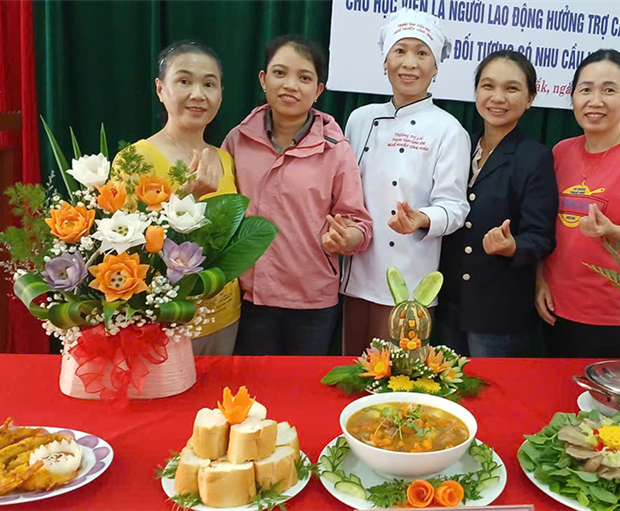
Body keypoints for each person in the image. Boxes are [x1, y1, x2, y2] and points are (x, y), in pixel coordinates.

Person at [223, 36, 372, 356]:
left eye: (304, 78)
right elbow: (221, 214)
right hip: (249, 296)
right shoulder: (237, 140)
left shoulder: (336, 149)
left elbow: (359, 224)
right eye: (280, 73)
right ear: (263, 79)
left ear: (318, 90)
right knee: (252, 384)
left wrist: (347, 238)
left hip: (312, 301)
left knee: (302, 385)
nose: (290, 85)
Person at [341, 8, 470, 355]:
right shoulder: (359, 119)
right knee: (352, 368)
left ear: (436, 67)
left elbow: (455, 207)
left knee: (396, 376)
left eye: (422, 53)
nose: (409, 63)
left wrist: (422, 218)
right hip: (356, 275)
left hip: (410, 285)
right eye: (400, 51)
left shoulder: (448, 130)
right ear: (385, 61)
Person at [536, 49, 620, 358]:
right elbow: (544, 226)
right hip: (555, 308)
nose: (595, 101)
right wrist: (539, 280)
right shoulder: (560, 152)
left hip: (612, 318)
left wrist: (611, 230)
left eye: (609, 90)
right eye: (586, 90)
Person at [110, 40, 240, 356]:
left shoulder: (224, 158)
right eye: (184, 81)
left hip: (225, 316)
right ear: (160, 89)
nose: (198, 94)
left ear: (221, 94)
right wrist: (186, 197)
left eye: (209, 84)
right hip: (165, 319)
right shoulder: (134, 158)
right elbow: (121, 248)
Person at [436, 50, 557, 358]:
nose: (497, 97)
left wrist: (512, 246)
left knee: (492, 388)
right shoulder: (458, 145)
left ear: (530, 99)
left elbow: (541, 236)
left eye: (511, 88)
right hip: (448, 302)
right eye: (488, 86)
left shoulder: (535, 157)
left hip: (498, 311)